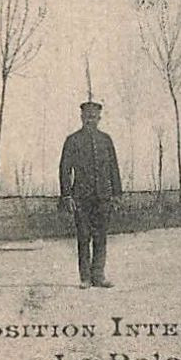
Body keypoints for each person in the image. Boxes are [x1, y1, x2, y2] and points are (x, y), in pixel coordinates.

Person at [59, 100, 123, 288]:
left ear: (99, 118)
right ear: (81, 117)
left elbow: (113, 168)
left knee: (101, 236)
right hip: (81, 197)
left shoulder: (106, 140)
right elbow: (64, 169)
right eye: (87, 117)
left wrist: (117, 194)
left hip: (103, 197)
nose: (90, 120)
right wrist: (67, 195)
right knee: (84, 236)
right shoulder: (73, 140)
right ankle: (85, 278)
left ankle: (99, 276)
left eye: (94, 117)